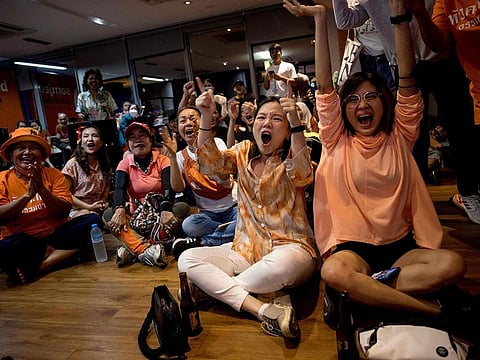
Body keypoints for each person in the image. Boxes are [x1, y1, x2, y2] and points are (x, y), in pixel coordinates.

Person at [284, 0, 465, 320]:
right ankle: (432, 312)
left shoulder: (401, 135)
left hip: (401, 249)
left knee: (453, 265)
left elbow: (407, 77)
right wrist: (320, 19)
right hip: (354, 251)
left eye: (370, 96)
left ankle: (365, 292)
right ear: (344, 109)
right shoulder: (335, 140)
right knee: (335, 273)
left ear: (384, 103)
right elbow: (325, 87)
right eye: (352, 99)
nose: (361, 104)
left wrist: (398, 18)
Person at [177, 79, 317, 340]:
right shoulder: (242, 152)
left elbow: (302, 174)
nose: (266, 123)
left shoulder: (296, 152)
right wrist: (206, 115)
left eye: (276, 119)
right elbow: (210, 164)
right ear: (253, 126)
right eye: (261, 117)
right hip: (245, 248)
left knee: (280, 268)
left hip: (290, 249)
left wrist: (297, 125)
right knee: (187, 260)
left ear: (286, 131)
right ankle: (263, 307)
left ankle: (212, 291)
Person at [407, 0, 480, 224]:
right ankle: (416, 204)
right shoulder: (443, 4)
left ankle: (468, 192)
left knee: (461, 129)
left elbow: (443, 46)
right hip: (406, 61)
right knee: (413, 136)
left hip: (447, 61)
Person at [0, 127, 98, 285]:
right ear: (11, 155)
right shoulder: (2, 179)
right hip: (25, 240)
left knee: (92, 221)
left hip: (56, 233)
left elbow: (63, 212)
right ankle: (67, 254)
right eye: (20, 148)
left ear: (41, 154)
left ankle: (41, 266)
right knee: (5, 248)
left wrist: (42, 191)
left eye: (32, 148)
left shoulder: (53, 175)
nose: (27, 152)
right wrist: (27, 196)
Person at [160, 104, 238, 260]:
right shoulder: (181, 156)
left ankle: (204, 242)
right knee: (188, 225)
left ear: (202, 122)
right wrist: (172, 157)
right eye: (183, 120)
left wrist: (203, 152)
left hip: (233, 207)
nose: (188, 123)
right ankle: (231, 234)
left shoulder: (217, 142)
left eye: (192, 118)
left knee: (246, 218)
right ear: (178, 128)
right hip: (208, 216)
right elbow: (178, 187)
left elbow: (224, 177)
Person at [104, 121, 184, 268]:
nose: (138, 140)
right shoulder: (125, 163)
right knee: (109, 215)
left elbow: (169, 188)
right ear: (128, 143)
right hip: (137, 218)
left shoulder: (163, 159)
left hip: (160, 215)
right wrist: (119, 208)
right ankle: (146, 250)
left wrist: (166, 208)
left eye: (142, 136)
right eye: (133, 138)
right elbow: (120, 188)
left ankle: (132, 248)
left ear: (150, 140)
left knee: (181, 208)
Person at [62, 124, 111, 219]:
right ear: (81, 143)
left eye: (95, 136)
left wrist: (103, 200)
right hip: (78, 210)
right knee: (89, 215)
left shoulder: (104, 162)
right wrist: (89, 207)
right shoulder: (73, 164)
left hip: (98, 208)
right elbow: (65, 193)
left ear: (100, 143)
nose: (90, 139)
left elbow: (107, 185)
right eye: (86, 136)